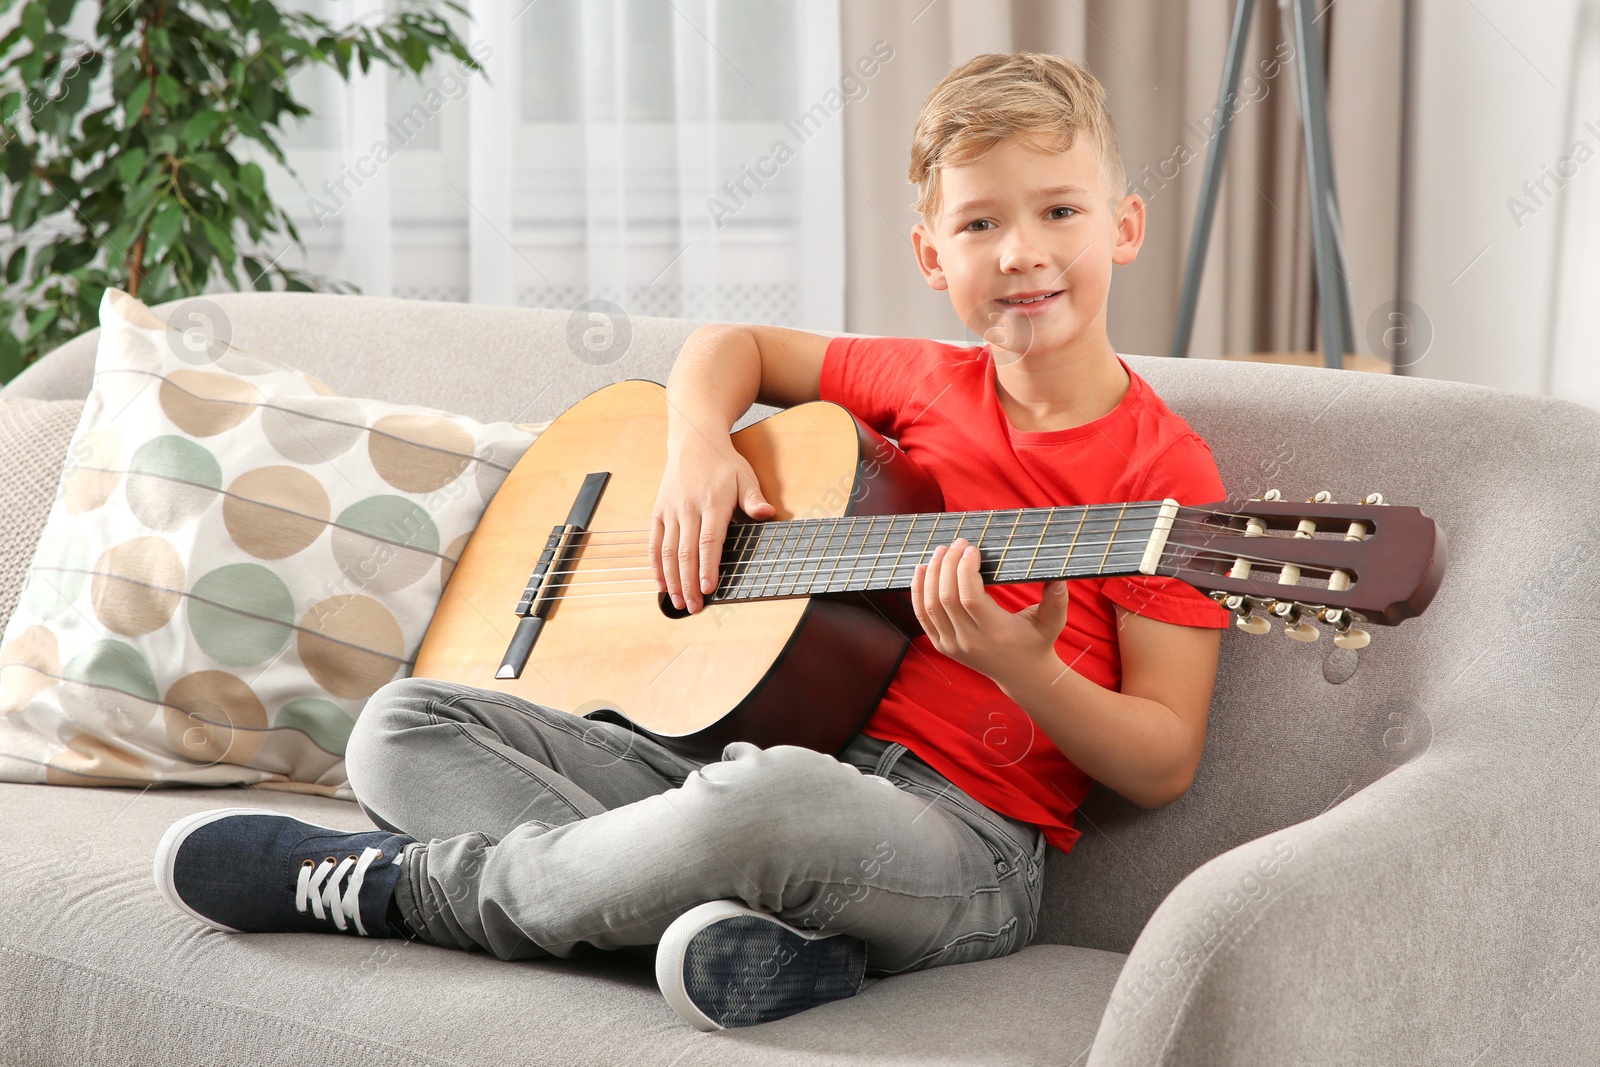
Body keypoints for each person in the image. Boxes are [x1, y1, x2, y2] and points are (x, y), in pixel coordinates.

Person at [152, 52, 1231, 1031]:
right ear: (930, 255)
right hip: (766, 758)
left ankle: (407, 889)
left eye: (1058, 212)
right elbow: (734, 344)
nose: (1024, 252)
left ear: (1124, 227)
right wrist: (698, 446)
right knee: (400, 723)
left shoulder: (1163, 474)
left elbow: (1162, 759)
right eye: (981, 224)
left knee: (764, 800)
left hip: (969, 845)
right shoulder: (920, 381)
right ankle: (758, 934)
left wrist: (1025, 668)